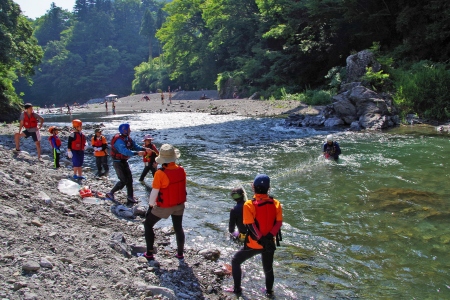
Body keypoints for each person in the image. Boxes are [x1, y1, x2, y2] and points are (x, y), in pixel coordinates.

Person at [229, 174, 283, 296]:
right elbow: (279, 223)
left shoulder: (249, 204)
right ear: (269, 188)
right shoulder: (276, 203)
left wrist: (261, 239)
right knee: (268, 269)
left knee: (235, 260)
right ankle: (269, 292)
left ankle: (237, 289)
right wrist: (269, 238)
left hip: (254, 243)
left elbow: (250, 225)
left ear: (253, 187)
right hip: (270, 244)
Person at [143, 144, 186, 261]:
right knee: (178, 227)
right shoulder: (181, 169)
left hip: (164, 206)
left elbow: (154, 193)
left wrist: (151, 206)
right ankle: (180, 254)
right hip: (179, 204)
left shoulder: (160, 173)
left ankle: (149, 253)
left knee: (148, 224)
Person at [106, 124, 151, 206]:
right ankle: (111, 193)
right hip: (117, 162)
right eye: (129, 129)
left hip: (124, 161)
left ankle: (130, 197)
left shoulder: (127, 138)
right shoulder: (119, 141)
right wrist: (137, 153)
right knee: (123, 180)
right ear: (124, 130)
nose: (130, 131)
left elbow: (135, 146)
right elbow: (125, 151)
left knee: (129, 179)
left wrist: (144, 149)